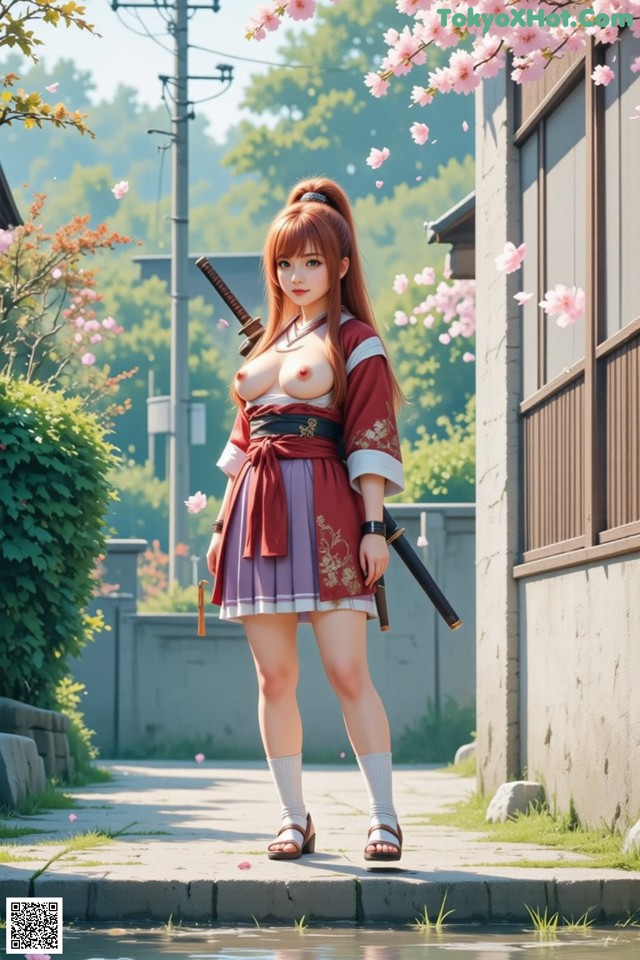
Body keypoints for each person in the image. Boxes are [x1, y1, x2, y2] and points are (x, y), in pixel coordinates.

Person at [206, 176, 405, 863]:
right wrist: (216, 531)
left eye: (312, 262)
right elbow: (241, 442)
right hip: (255, 514)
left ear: (341, 265)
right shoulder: (268, 342)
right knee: (275, 679)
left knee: (349, 672)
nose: (296, 275)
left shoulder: (356, 341)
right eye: (285, 263)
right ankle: (294, 819)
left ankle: (384, 818)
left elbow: (370, 436)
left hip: (327, 513)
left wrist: (373, 527)